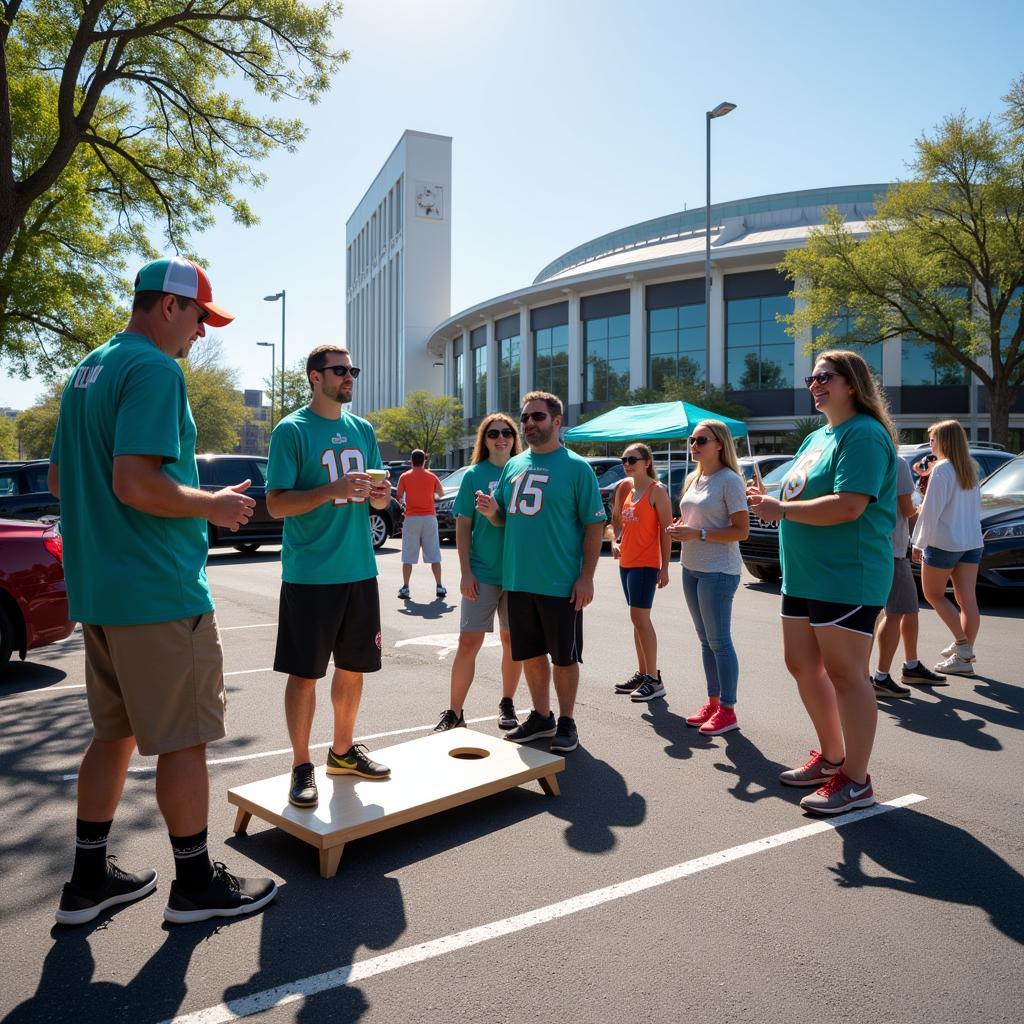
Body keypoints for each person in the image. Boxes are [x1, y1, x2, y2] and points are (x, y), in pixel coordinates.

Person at [49, 256, 277, 925]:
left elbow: (65, 484)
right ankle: (195, 884)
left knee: (113, 736)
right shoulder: (153, 368)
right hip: (158, 590)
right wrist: (209, 504)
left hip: (100, 589)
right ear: (170, 306)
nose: (202, 333)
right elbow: (135, 483)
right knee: (184, 740)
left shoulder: (86, 368)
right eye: (201, 317)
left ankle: (88, 879)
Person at [749, 349, 897, 816]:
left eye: (825, 376)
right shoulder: (817, 437)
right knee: (801, 665)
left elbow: (850, 504)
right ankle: (832, 757)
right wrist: (769, 500)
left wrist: (783, 510)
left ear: (851, 383)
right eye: (811, 377)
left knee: (846, 676)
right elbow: (805, 492)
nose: (814, 383)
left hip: (847, 576)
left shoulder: (866, 435)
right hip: (803, 575)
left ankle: (856, 780)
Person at [265, 345, 394, 810]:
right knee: (304, 675)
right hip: (310, 574)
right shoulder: (291, 430)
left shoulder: (362, 429)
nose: (350, 377)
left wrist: (379, 495)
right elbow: (277, 503)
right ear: (315, 377)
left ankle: (342, 752)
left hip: (359, 570)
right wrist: (332, 490)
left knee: (354, 667)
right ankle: (301, 765)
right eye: (341, 371)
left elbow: (378, 504)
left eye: (352, 370)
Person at [476, 391, 607, 753]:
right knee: (530, 654)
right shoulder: (514, 466)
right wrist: (490, 512)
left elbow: (594, 525)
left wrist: (587, 577)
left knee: (563, 658)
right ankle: (542, 716)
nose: (530, 423)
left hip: (560, 582)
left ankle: (566, 721)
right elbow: (503, 518)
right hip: (518, 580)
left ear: (557, 421)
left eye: (538, 417)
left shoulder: (577, 467)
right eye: (526, 417)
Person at [434, 413, 524, 732]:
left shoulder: (524, 470)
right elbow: (463, 526)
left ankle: (507, 703)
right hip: (482, 573)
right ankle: (455, 713)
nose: (501, 438)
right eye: (493, 433)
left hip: (518, 573)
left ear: (515, 438)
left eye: (507, 432)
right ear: (483, 440)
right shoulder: (474, 474)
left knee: (512, 641)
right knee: (467, 643)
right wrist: (465, 572)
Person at [667, 420, 750, 734]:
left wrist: (697, 532)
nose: (694, 445)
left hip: (719, 570)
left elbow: (741, 531)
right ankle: (713, 703)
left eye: (701, 439)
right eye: (692, 439)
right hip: (692, 567)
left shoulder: (729, 480)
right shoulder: (694, 477)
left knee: (720, 642)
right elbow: (694, 519)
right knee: (705, 642)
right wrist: (679, 528)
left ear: (720, 444)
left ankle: (728, 710)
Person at [911, 419, 983, 677]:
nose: (930, 445)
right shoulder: (970, 470)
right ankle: (964, 654)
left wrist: (918, 542)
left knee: (933, 595)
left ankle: (962, 647)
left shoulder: (942, 470)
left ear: (943, 442)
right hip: (971, 542)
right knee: (967, 600)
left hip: (944, 543)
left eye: (932, 440)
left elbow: (931, 512)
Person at [872, 455, 946, 696]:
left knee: (903, 609)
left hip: (873, 545)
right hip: (891, 548)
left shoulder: (861, 457)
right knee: (897, 612)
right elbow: (907, 509)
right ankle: (880, 677)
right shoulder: (897, 462)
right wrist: (925, 510)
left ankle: (909, 666)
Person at [608, 443, 672, 701]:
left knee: (640, 618)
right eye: (624, 459)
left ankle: (654, 680)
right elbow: (615, 520)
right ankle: (644, 673)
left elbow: (667, 531)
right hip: (627, 562)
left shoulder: (657, 491)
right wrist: (615, 541)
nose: (627, 463)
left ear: (647, 462)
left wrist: (665, 567)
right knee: (636, 619)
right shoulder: (625, 487)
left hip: (646, 563)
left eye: (633, 459)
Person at [396, 450, 446, 600]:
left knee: (408, 556)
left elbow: (398, 497)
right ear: (425, 460)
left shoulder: (404, 476)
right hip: (429, 518)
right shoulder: (432, 476)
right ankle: (439, 586)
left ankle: (405, 587)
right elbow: (441, 494)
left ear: (411, 460)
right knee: (434, 554)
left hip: (411, 518)